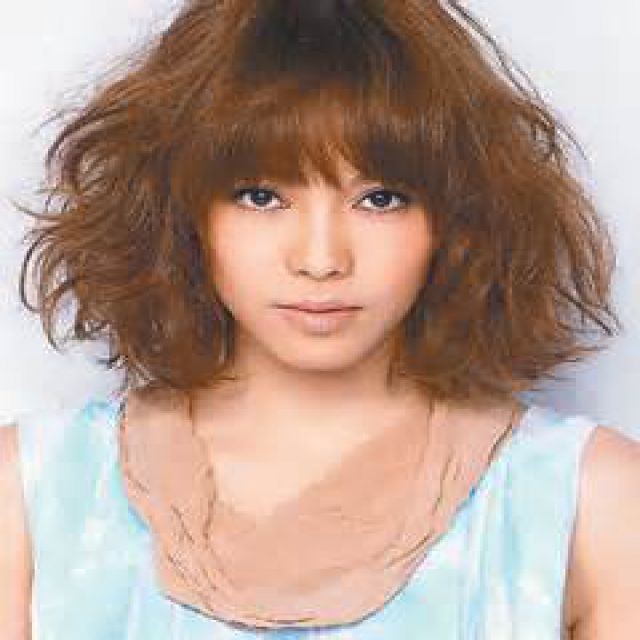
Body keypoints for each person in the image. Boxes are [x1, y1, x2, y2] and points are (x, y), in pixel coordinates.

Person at [1, 0, 639, 637]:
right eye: (261, 197)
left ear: (458, 218)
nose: (321, 259)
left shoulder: (589, 501)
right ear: (181, 213)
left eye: (380, 199)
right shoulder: (34, 496)